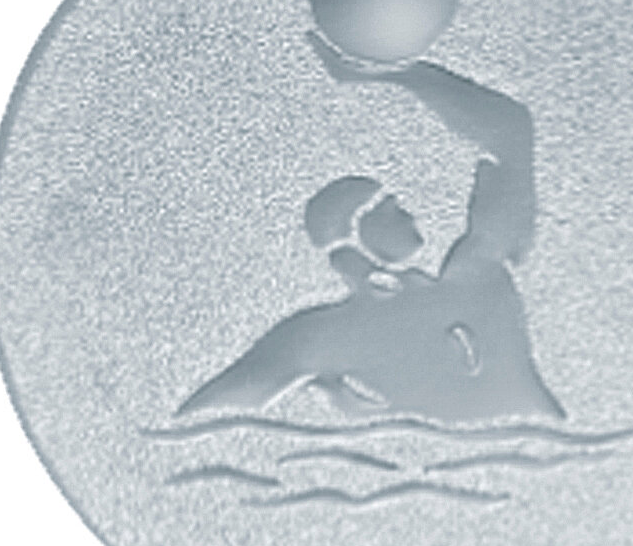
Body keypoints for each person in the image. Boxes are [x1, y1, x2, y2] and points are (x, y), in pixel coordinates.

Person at [176, 33, 564, 424]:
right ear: (357, 238)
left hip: (537, 447)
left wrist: (396, 73)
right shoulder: (329, 333)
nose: (411, 215)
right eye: (392, 210)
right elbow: (211, 414)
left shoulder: (471, 271)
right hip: (487, 451)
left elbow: (512, 132)